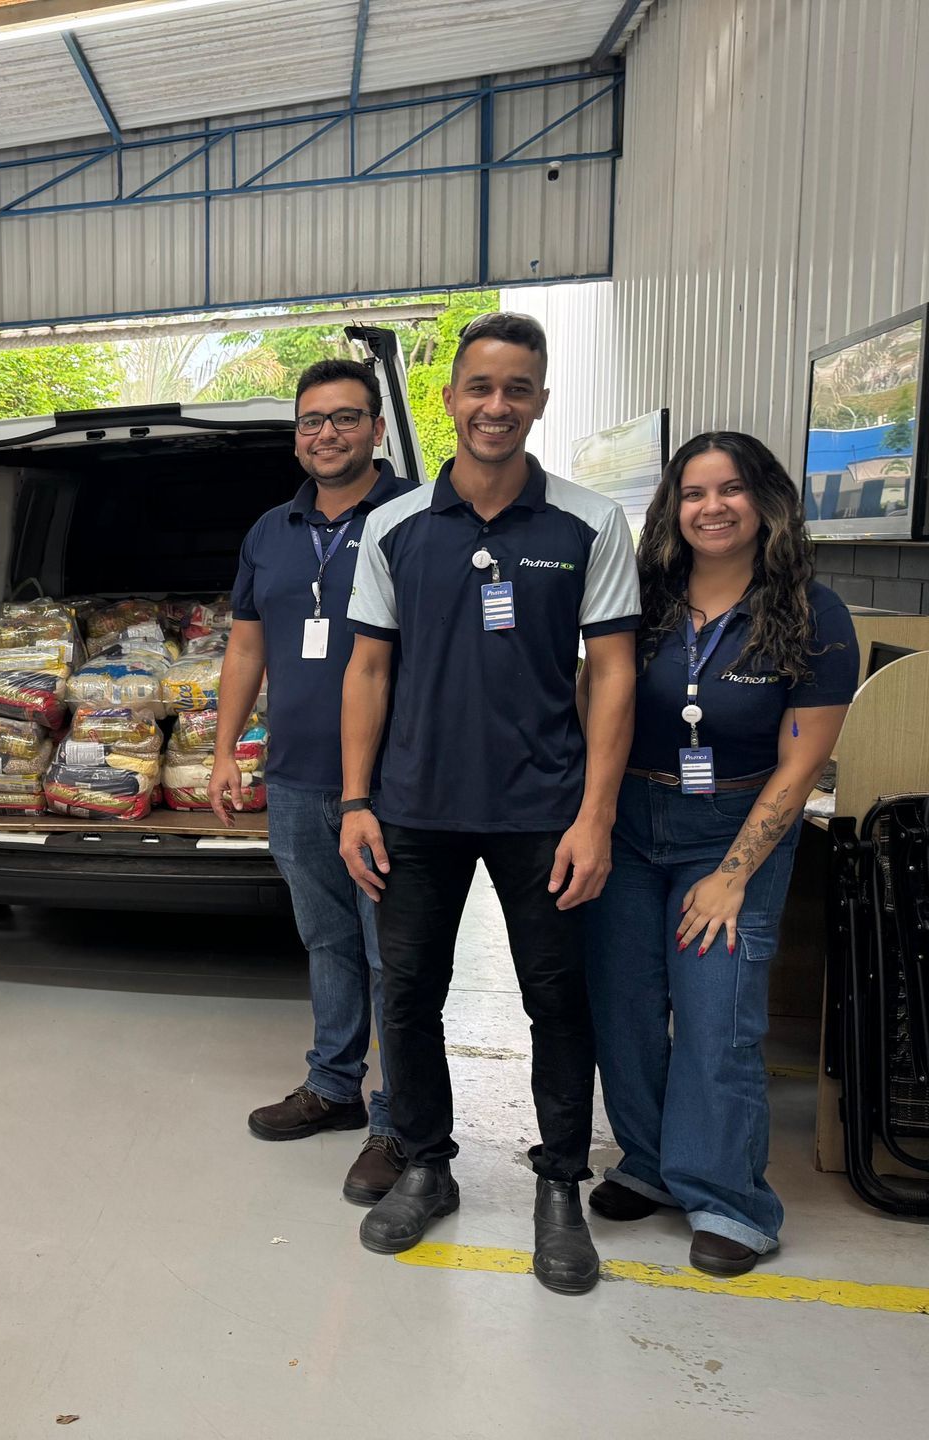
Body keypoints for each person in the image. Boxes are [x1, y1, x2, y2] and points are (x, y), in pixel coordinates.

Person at [339, 312, 640, 1295]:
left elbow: (612, 674)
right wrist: (355, 799)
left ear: (539, 402)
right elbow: (369, 670)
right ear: (451, 398)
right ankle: (426, 1165)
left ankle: (560, 1183)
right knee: (409, 995)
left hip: (543, 814)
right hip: (414, 810)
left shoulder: (590, 523)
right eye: (480, 387)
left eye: (517, 389)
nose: (496, 405)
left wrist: (594, 816)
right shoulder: (392, 527)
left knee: (556, 1001)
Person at [583, 433, 856, 1277]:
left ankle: (732, 1201)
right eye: (694, 493)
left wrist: (735, 873)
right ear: (673, 507)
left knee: (716, 1017)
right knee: (624, 1007)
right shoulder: (644, 596)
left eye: (731, 489)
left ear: (765, 499)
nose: (712, 508)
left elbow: (803, 760)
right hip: (629, 819)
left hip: (734, 825)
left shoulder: (813, 611)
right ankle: (653, 1165)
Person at [211, 358, 419, 1205]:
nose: (325, 433)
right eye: (311, 421)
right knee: (328, 940)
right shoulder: (269, 530)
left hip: (393, 784)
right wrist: (227, 750)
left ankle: (399, 1120)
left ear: (376, 427)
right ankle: (334, 1086)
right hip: (296, 778)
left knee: (393, 953)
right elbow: (247, 648)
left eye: (344, 418)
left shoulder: (414, 517)